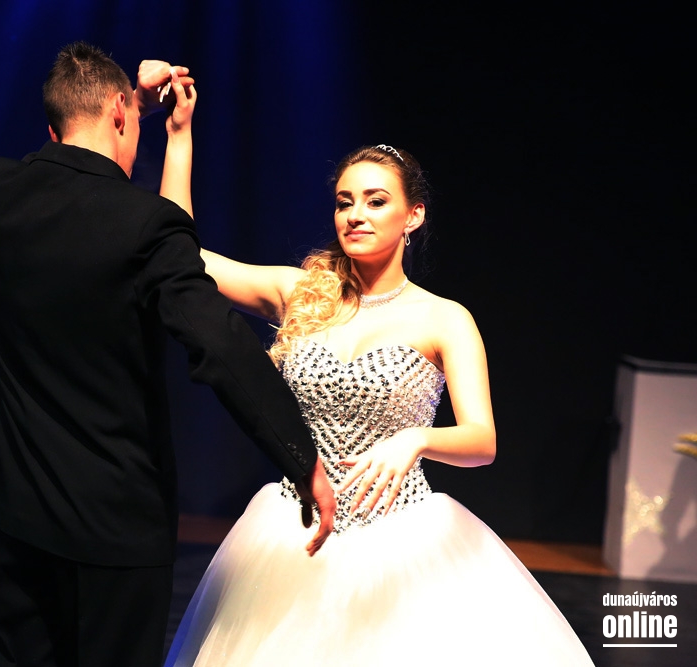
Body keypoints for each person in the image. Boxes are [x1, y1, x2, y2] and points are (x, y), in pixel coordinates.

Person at [158, 100, 595, 664]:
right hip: (294, 531)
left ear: (413, 216)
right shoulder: (301, 294)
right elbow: (180, 256)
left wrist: (418, 438)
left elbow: (482, 441)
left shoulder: (444, 318)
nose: (355, 215)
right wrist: (179, 136)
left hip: (400, 542)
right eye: (345, 202)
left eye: (376, 200)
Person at [0, 43, 335, 667]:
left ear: (52, 127)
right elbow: (220, 344)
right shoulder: (147, 224)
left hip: (15, 507)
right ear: (119, 114)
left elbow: (56, 163)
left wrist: (130, 98)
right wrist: (301, 456)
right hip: (114, 518)